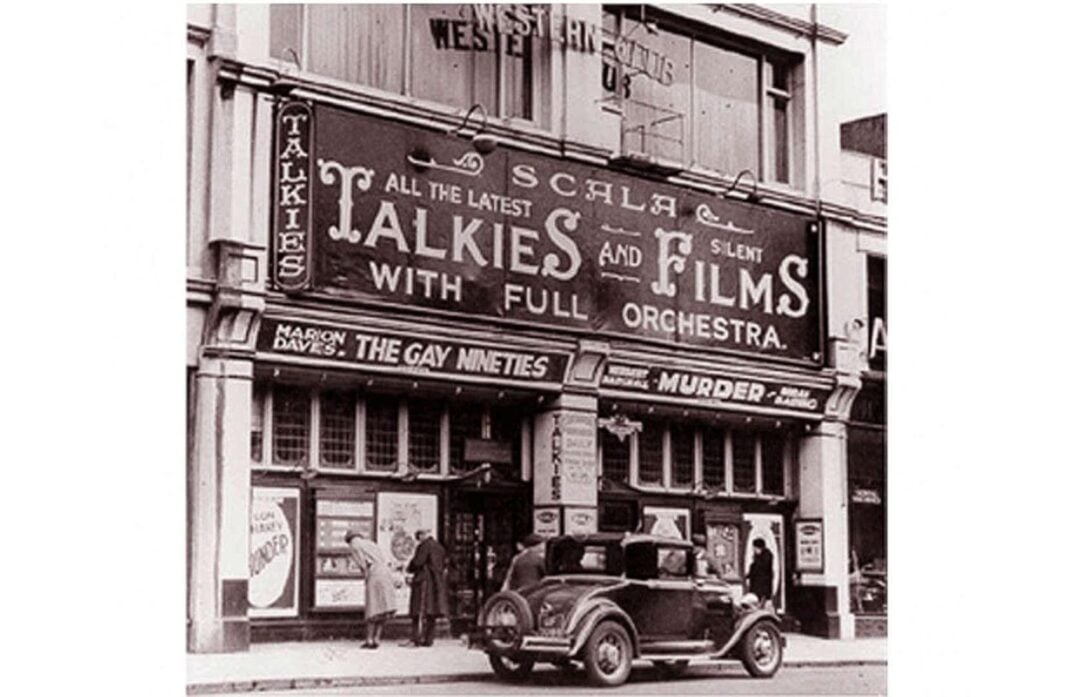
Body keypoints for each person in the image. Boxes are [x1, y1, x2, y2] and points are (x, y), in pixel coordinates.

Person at [345, 530, 397, 649]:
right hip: (386, 573)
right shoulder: (371, 543)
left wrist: (365, 577)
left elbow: (363, 565)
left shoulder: (354, 545)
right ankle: (377, 639)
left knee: (372, 608)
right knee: (383, 608)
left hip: (374, 573)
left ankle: (369, 639)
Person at [402, 529, 449, 647]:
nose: (419, 540)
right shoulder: (439, 547)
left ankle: (416, 638)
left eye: (419, 537)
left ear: (423, 535)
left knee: (419, 609)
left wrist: (409, 568)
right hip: (436, 582)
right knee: (431, 612)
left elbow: (418, 562)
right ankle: (429, 639)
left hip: (424, 581)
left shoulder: (424, 546)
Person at [746, 538, 775, 606]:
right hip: (758, 587)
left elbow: (759, 569)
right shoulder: (760, 557)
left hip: (762, 588)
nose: (754, 550)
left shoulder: (764, 558)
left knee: (761, 604)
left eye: (754, 548)